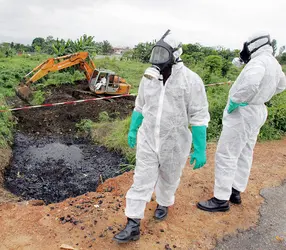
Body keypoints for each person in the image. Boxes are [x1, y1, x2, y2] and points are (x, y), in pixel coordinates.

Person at [113, 30, 210, 243]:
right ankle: (133, 223)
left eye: (162, 54)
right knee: (141, 179)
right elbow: (140, 106)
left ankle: (164, 203)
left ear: (175, 54)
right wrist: (132, 129)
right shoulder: (149, 78)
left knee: (169, 177)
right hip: (148, 138)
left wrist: (200, 148)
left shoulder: (191, 81)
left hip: (175, 142)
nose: (158, 60)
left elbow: (199, 116)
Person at [197, 32, 286, 212]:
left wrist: (237, 100)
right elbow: (281, 85)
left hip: (243, 112)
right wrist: (262, 96)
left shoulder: (258, 62)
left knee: (226, 153)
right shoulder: (274, 63)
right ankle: (235, 191)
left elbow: (251, 83)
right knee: (245, 151)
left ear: (254, 44)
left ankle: (221, 199)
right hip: (258, 110)